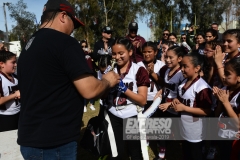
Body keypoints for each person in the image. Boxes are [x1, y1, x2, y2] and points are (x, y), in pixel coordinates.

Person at [17, 0, 120, 159]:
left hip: (30, 138)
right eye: (74, 24)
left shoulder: (29, 45)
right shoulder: (65, 42)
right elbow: (90, 90)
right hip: (54, 142)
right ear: (63, 16)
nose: (73, 30)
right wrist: (108, 80)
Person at [106, 37, 150, 160]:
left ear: (130, 52)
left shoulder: (139, 70)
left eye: (121, 53)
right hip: (113, 115)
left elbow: (142, 100)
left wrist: (124, 89)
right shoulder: (111, 70)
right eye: (114, 54)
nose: (117, 57)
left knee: (135, 151)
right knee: (115, 151)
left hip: (131, 115)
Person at [171, 53, 212, 160]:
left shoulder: (202, 87)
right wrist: (176, 101)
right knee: (186, 153)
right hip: (185, 127)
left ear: (197, 68)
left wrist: (184, 108)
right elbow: (184, 99)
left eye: (185, 66)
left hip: (196, 132)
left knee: (195, 154)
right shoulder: (184, 82)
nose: (182, 69)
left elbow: (207, 111)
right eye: (181, 66)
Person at [213, 57, 240, 160]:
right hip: (222, 133)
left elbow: (238, 124)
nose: (223, 76)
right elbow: (217, 115)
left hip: (234, 139)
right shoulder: (226, 89)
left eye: (227, 74)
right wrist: (220, 101)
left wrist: (225, 102)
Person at [0, 50, 20, 132]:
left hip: (19, 114)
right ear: (2, 64)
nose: (15, 65)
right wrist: (14, 95)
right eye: (13, 62)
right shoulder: (1, 79)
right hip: (6, 118)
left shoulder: (15, 77)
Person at [80, 40, 96, 112]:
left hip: (91, 72)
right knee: (84, 89)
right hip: (83, 72)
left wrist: (91, 52)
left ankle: (91, 104)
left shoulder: (89, 53)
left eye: (85, 46)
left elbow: (95, 58)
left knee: (92, 88)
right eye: (82, 46)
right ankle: (84, 105)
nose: (84, 48)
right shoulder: (79, 53)